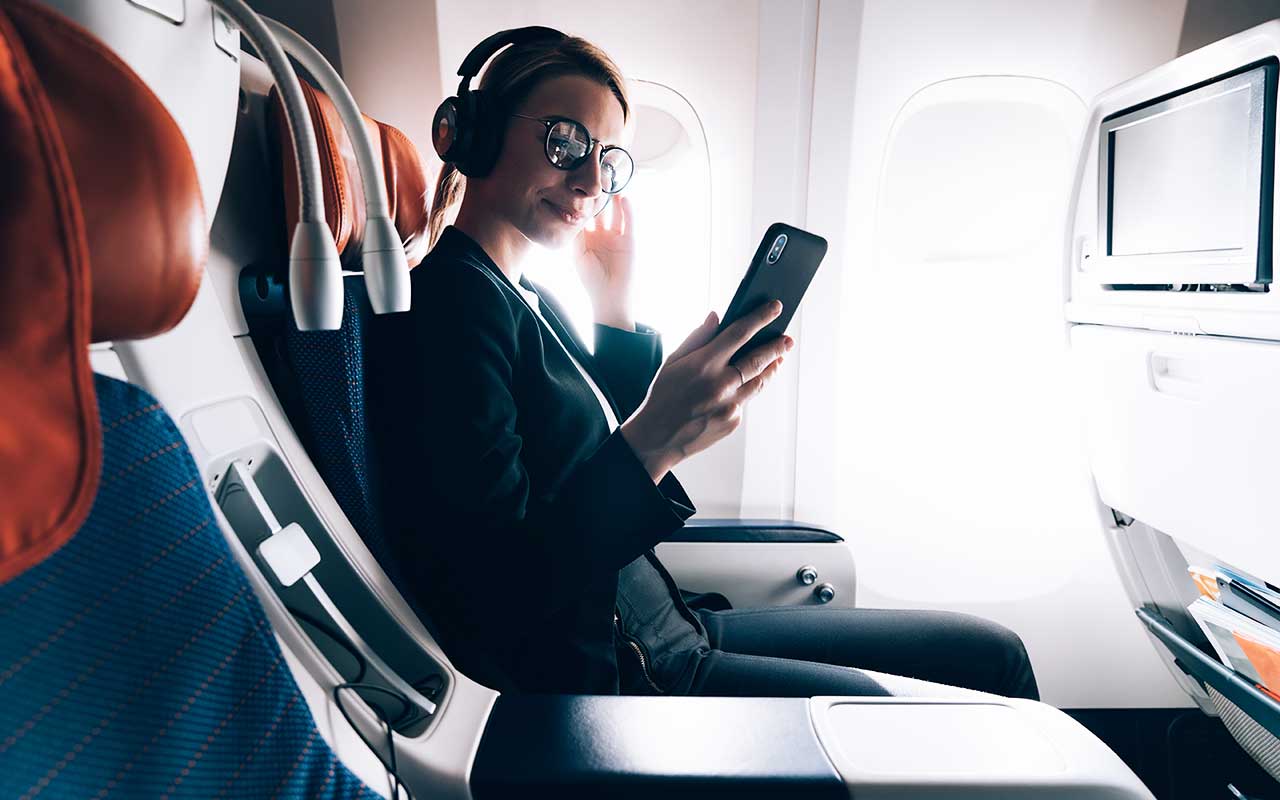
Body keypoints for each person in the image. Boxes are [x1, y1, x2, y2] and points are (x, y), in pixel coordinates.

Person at [371, 28, 1038, 701]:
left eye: (606, 158)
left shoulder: (519, 292)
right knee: (971, 685)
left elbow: (582, 444)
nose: (590, 180)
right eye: (566, 141)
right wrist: (657, 439)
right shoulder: (450, 305)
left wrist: (614, 306)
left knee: (992, 654)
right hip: (627, 667)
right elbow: (500, 591)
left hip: (672, 627)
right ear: (478, 133)